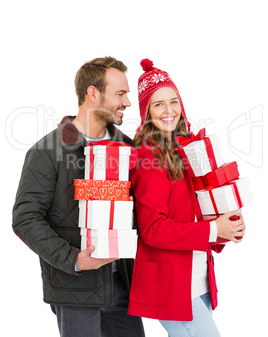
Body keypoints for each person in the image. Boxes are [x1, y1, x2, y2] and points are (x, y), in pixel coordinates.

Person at [12, 57, 145, 337]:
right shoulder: (48, 151)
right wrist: (73, 259)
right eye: (120, 94)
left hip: (122, 286)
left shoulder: (127, 147)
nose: (128, 103)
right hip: (75, 288)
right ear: (93, 93)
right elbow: (25, 218)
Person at [127, 58, 246, 337]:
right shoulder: (149, 156)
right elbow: (153, 229)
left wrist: (226, 227)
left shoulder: (184, 147)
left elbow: (194, 211)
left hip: (198, 281)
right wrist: (214, 228)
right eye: (158, 104)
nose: (169, 111)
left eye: (174, 101)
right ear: (146, 112)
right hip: (174, 288)